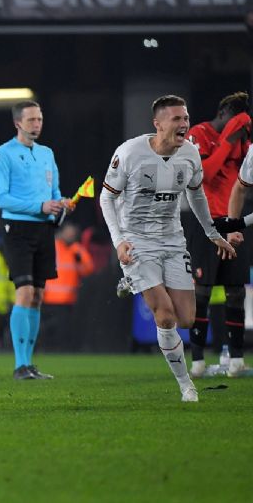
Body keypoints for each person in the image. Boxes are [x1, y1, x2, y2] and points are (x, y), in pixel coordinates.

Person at [100, 95, 235, 402]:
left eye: (185, 118)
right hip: (137, 241)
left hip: (173, 241)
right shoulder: (130, 153)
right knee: (164, 315)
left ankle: (131, 282)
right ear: (157, 124)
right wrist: (119, 241)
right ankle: (186, 384)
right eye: (176, 119)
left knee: (186, 318)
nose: (184, 124)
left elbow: (197, 195)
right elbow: (106, 198)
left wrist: (213, 233)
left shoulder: (189, 154)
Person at [0, 100, 69, 380]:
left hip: (44, 230)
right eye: (32, 120)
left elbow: (55, 190)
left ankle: (30, 364)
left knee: (37, 296)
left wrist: (61, 204)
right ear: (17, 123)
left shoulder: (47, 153)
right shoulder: (3, 154)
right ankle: (19, 365)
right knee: (24, 292)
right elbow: (1, 198)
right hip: (18, 229)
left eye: (40, 119)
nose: (37, 124)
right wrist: (41, 206)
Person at [178, 92, 252, 378]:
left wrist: (240, 141)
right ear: (223, 113)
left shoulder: (243, 143)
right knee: (202, 291)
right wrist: (228, 140)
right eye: (236, 122)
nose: (239, 130)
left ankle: (236, 361)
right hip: (203, 222)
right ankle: (196, 363)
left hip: (233, 223)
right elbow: (205, 174)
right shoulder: (199, 133)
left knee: (235, 291)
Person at [41, 222, 94, 351]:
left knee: (63, 330)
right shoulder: (52, 246)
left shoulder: (77, 249)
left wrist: (79, 259)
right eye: (68, 232)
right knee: (48, 330)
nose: (70, 236)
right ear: (62, 232)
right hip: (49, 299)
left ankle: (60, 351)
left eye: (73, 233)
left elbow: (88, 269)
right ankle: (46, 349)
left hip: (68, 300)